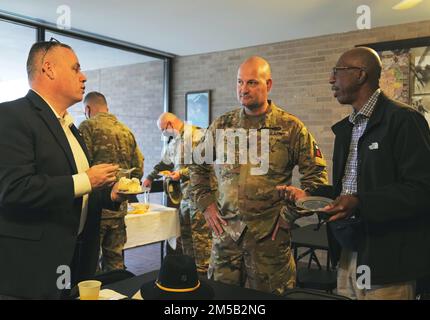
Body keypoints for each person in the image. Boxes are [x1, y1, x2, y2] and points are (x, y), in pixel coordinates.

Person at [282, 47, 430, 299]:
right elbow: (348, 191)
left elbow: (421, 189)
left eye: (336, 72)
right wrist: (309, 194)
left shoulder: (405, 121)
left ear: (360, 74)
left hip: (387, 261)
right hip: (348, 252)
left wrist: (360, 203)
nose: (331, 79)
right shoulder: (346, 129)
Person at [189, 56, 328, 295]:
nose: (243, 89)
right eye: (240, 82)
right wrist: (207, 205)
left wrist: (288, 216)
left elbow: (317, 179)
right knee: (221, 300)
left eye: (252, 82)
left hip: (269, 243)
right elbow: (196, 165)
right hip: (226, 239)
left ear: (269, 85)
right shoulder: (222, 125)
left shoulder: (290, 128)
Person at [0, 39, 125, 299]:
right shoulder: (11, 116)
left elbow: (76, 191)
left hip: (76, 259)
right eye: (76, 68)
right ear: (49, 69)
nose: (84, 77)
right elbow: (15, 189)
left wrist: (107, 195)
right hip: (33, 268)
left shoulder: (70, 126)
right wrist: (88, 180)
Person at [79, 91, 144, 272]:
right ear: (106, 107)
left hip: (94, 210)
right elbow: (138, 168)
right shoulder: (126, 130)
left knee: (90, 263)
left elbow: (80, 167)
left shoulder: (87, 127)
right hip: (118, 208)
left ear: (87, 109)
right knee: (115, 260)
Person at [143, 112, 213, 274]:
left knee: (201, 241)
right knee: (186, 239)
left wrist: (180, 174)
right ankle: (190, 274)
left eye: (162, 130)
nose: (163, 134)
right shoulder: (174, 141)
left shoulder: (197, 136)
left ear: (169, 125)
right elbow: (165, 162)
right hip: (185, 198)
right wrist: (150, 177)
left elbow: (207, 165)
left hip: (200, 197)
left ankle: (204, 277)